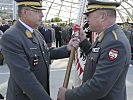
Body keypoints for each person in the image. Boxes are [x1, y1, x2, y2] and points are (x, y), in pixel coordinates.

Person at [0, 0, 79, 100]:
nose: (42, 15)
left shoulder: (35, 33)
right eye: (38, 11)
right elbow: (25, 77)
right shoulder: (11, 36)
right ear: (25, 12)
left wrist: (67, 48)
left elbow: (45, 53)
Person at [57, 0, 131, 100]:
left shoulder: (115, 43)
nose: (87, 19)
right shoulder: (106, 37)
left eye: (89, 15)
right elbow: (96, 56)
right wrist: (83, 41)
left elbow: (99, 86)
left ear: (103, 16)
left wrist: (67, 95)